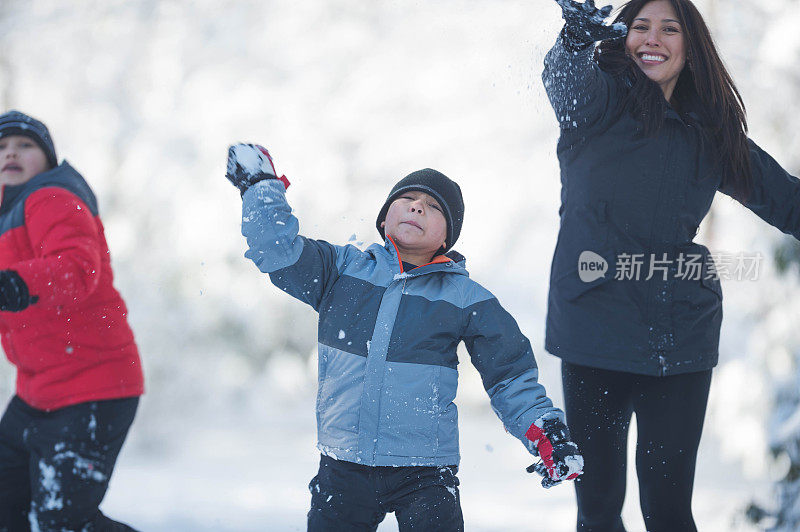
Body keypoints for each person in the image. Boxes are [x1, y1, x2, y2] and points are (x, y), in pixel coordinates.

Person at [225, 143, 584, 531]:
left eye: (432, 207)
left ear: (448, 237)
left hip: (426, 472)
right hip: (344, 466)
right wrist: (261, 186)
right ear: (384, 220)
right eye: (408, 199)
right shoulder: (341, 270)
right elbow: (276, 251)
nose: (417, 207)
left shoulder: (466, 299)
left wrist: (545, 432)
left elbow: (510, 376)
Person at [541, 0, 800, 530]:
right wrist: (572, 39)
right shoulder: (596, 104)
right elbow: (563, 82)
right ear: (621, 37)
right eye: (639, 27)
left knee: (668, 510)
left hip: (678, 339)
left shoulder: (707, 132)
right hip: (594, 333)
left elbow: (786, 200)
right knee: (598, 506)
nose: (652, 39)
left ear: (690, 44)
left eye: (668, 28)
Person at [0, 110, 143, 531]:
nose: (11, 152)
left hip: (93, 385)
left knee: (66, 520)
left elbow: (78, 267)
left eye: (25, 145)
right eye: (3, 147)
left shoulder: (51, 197)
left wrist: (13, 284)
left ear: (47, 158)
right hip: (37, 390)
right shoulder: (6, 214)